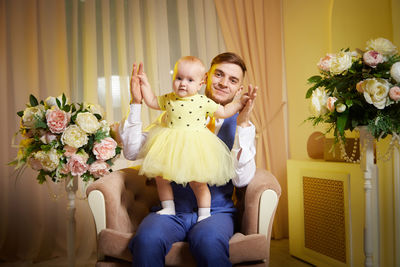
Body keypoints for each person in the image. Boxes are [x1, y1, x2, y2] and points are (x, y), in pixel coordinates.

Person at [120, 52, 258, 267]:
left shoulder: (242, 125)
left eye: (232, 80)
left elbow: (242, 180)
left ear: (239, 90)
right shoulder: (173, 112)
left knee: (209, 242)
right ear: (206, 77)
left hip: (215, 212)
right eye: (218, 74)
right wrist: (137, 103)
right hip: (172, 210)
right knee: (146, 240)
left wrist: (243, 123)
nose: (223, 83)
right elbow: (131, 152)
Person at [135, 56, 247, 222]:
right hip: (171, 144)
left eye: (189, 80)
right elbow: (151, 101)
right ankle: (168, 207)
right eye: (178, 78)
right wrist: (144, 84)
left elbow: (223, 111)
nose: (183, 84)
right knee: (160, 177)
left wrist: (239, 104)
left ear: (200, 83)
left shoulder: (203, 101)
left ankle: (204, 214)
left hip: (195, 147)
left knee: (198, 182)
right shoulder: (169, 99)